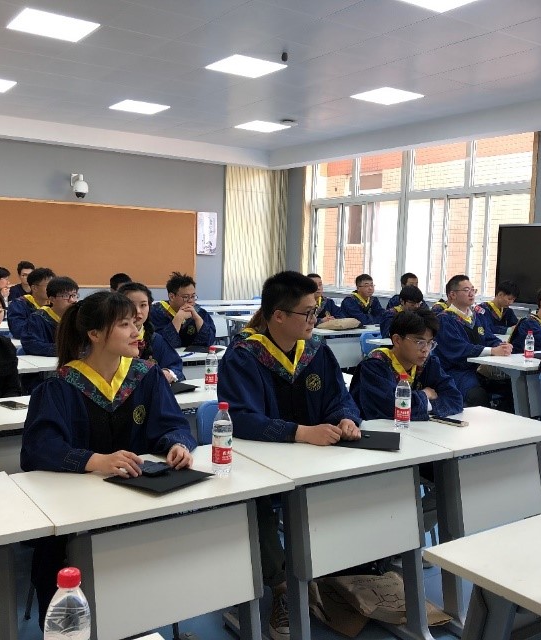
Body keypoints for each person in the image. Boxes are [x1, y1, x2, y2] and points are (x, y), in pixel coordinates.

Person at [21, 290, 196, 626]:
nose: (137, 331)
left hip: (140, 501)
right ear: (95, 334)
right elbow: (39, 448)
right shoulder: (61, 386)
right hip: (76, 512)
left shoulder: (145, 375)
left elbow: (173, 424)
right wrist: (95, 461)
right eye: (125, 325)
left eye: (136, 323)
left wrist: (178, 444)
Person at [218, 271, 361, 640]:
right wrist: (300, 432)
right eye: (308, 313)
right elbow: (241, 419)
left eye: (316, 311)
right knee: (256, 505)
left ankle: (337, 571)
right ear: (278, 315)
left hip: (314, 459)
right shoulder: (243, 356)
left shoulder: (316, 352)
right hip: (258, 464)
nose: (315, 319)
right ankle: (282, 588)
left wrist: (345, 418)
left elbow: (340, 397)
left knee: (359, 487)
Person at [350, 308, 462, 422]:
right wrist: (425, 394)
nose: (426, 349)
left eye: (430, 343)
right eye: (419, 342)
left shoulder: (429, 364)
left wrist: (425, 405)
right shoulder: (374, 366)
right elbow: (391, 408)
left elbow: (455, 399)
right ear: (397, 340)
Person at [435, 275, 513, 407]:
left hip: (480, 369)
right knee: (478, 395)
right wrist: (492, 351)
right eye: (466, 290)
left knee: (511, 388)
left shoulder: (477, 317)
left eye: (473, 290)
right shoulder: (444, 319)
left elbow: (489, 337)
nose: (471, 294)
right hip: (456, 372)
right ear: (452, 294)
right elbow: (459, 348)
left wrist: (502, 345)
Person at [117, 281, 184, 382]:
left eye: (143, 305)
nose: (138, 311)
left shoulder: (156, 340)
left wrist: (168, 373)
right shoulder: (112, 340)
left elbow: (175, 367)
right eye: (131, 305)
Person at [148, 272, 216, 349]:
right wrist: (178, 318)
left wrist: (197, 319)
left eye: (193, 296)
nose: (190, 301)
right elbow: (161, 345)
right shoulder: (155, 313)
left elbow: (209, 341)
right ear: (172, 296)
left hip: (195, 356)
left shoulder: (200, 312)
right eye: (186, 297)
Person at [22, 276, 79, 357]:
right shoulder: (38, 318)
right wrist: (66, 350)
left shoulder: (78, 317)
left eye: (74, 295)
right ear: (52, 299)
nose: (72, 300)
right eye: (65, 296)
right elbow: (31, 345)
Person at [7, 267, 55, 340]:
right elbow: (18, 331)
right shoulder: (18, 305)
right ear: (34, 288)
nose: (52, 289)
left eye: (53, 286)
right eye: (48, 286)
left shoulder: (56, 304)